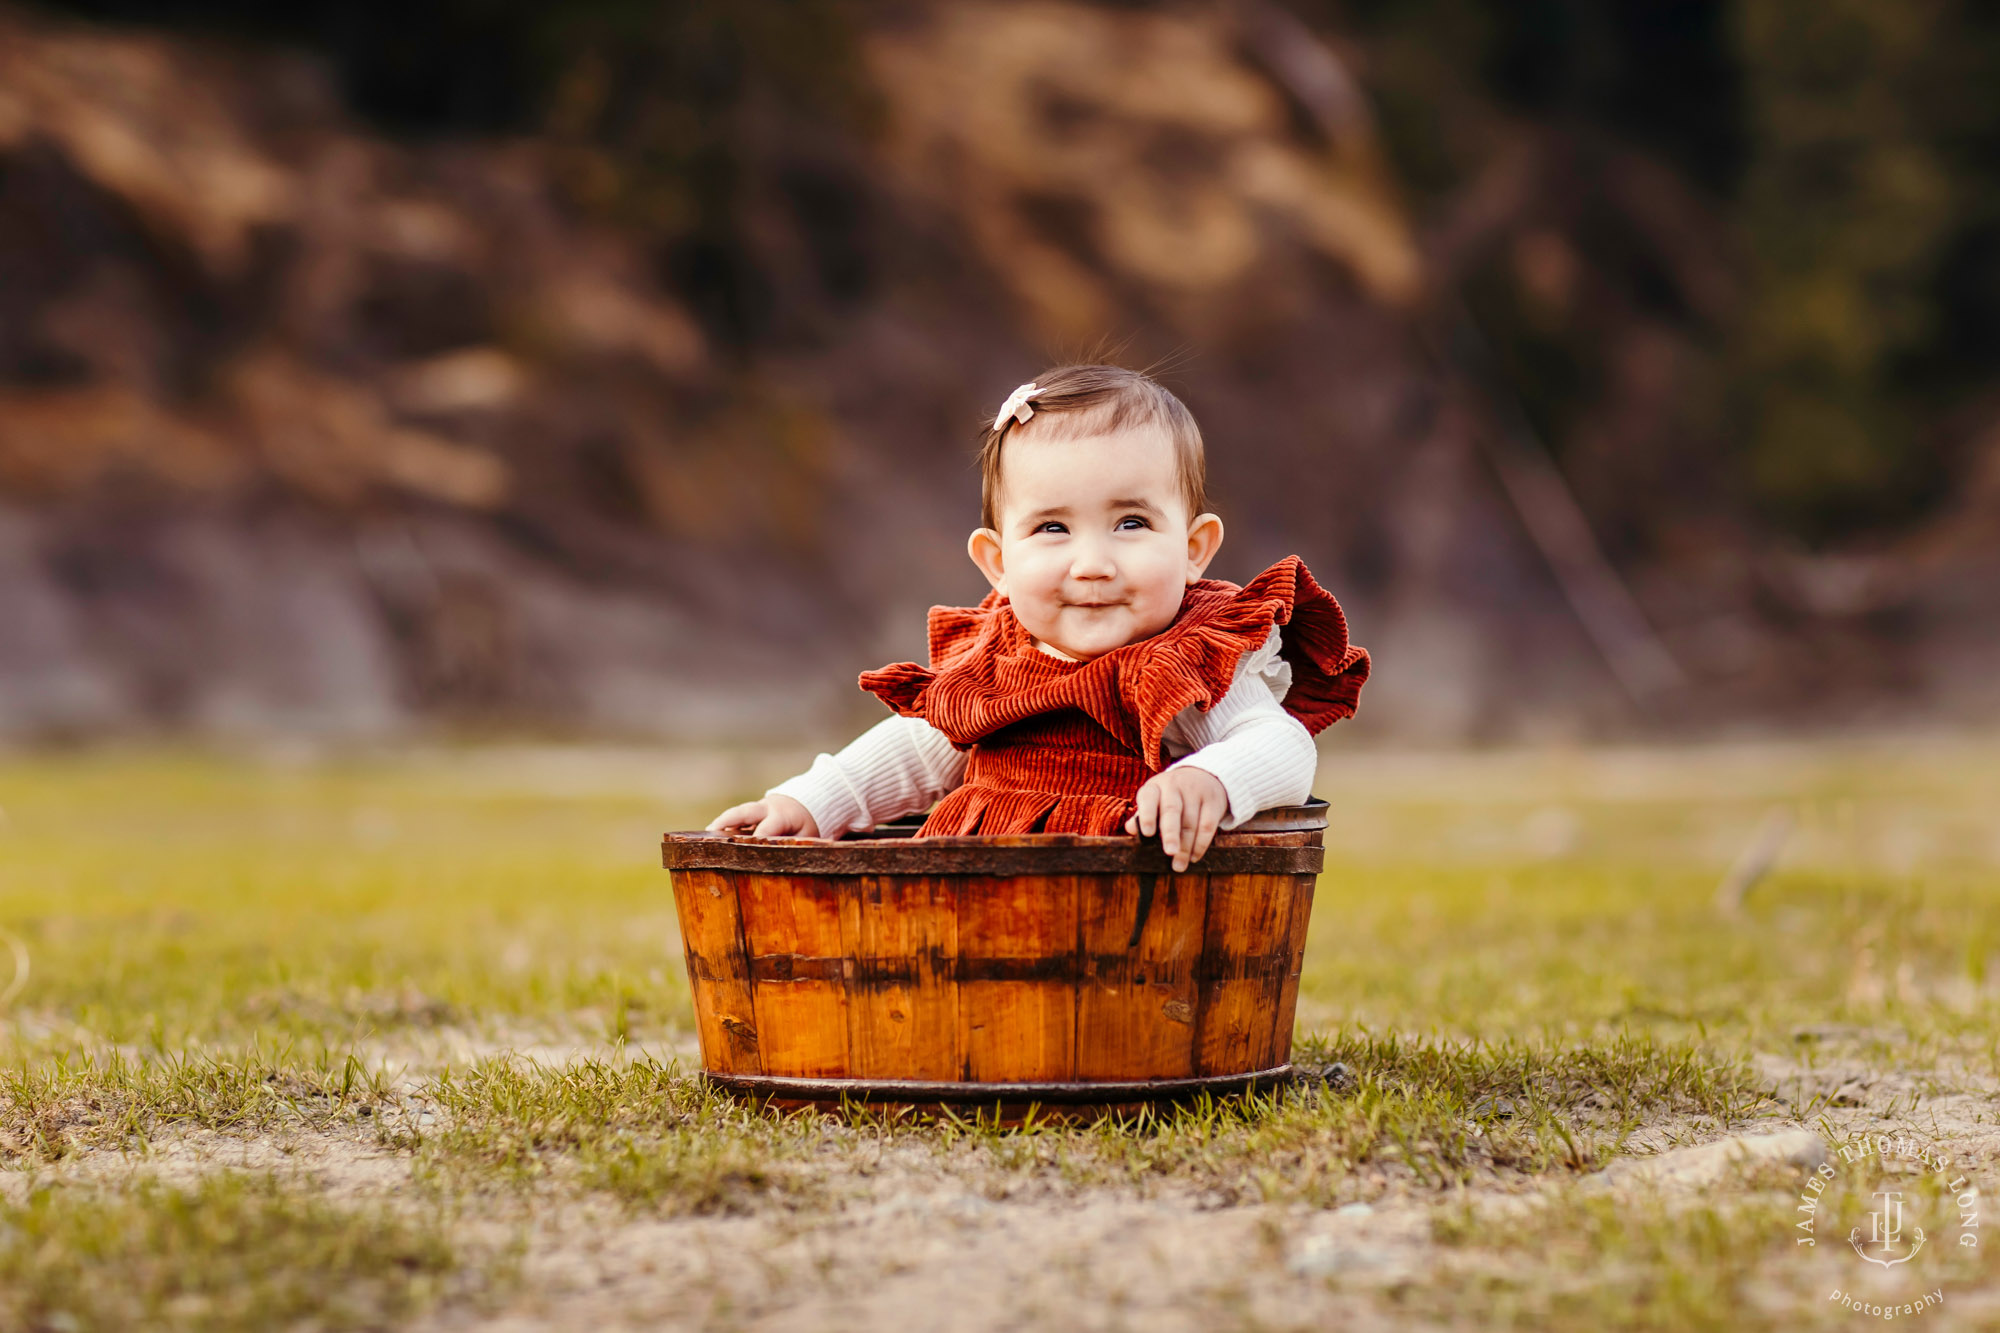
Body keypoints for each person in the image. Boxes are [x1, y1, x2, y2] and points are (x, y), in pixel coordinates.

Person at [708, 364, 1369, 870]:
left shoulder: (1183, 663)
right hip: (971, 906)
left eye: (1131, 522)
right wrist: (809, 802)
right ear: (997, 561)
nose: (1092, 563)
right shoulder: (996, 666)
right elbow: (915, 749)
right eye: (1053, 527)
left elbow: (1281, 745)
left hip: (1128, 924)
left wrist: (1212, 778)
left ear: (1193, 550)